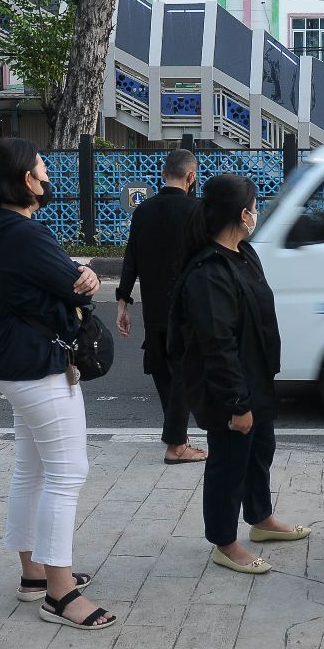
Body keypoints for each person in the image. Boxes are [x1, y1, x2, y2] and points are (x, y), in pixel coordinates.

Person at [0, 137, 117, 631]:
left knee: (31, 469)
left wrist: (84, 274)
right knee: (67, 472)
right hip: (37, 366)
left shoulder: (3, 229)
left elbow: (74, 278)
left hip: (15, 363)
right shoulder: (24, 234)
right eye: (42, 170)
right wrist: (87, 275)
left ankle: (34, 573)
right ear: (25, 181)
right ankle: (60, 592)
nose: (48, 177)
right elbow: (72, 283)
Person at [168, 173, 309, 575]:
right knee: (228, 466)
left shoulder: (245, 254)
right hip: (228, 390)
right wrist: (237, 404)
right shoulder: (208, 272)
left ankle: (261, 518)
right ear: (243, 213)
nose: (257, 212)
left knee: (260, 451)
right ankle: (224, 542)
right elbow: (217, 346)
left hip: (254, 379)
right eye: (254, 206)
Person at [117, 149, 207, 465]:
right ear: (191, 176)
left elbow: (131, 260)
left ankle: (177, 439)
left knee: (164, 372)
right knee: (184, 373)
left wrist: (122, 301)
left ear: (163, 173)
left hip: (154, 308)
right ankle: (175, 446)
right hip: (187, 308)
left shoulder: (143, 211)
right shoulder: (198, 210)